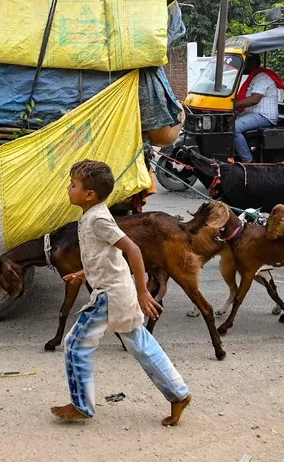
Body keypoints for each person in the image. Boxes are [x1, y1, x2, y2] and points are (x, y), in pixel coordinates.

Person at [51, 160, 191, 426]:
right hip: (116, 290)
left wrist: (143, 292)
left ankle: (82, 405)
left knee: (75, 344)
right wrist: (83, 273)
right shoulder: (92, 215)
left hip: (110, 295)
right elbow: (105, 255)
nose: (69, 189)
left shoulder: (99, 219)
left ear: (89, 194)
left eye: (73, 185)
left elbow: (133, 250)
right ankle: (179, 394)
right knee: (141, 344)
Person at [232, 54, 284, 163]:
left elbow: (254, 99)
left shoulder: (262, 77)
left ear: (252, 63)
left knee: (234, 127)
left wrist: (232, 105)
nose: (243, 66)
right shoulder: (254, 77)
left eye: (244, 63)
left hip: (264, 116)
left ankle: (249, 162)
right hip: (253, 114)